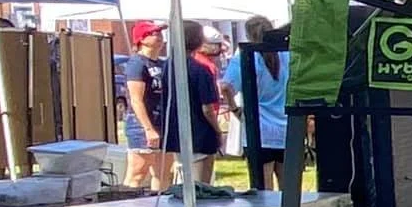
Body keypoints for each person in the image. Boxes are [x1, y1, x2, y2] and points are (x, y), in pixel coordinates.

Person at [220, 16, 289, 188]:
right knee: (288, 190)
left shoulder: (245, 58)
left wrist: (235, 109)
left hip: (258, 130)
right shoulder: (286, 56)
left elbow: (226, 87)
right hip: (285, 129)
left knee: (263, 190)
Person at [161, 21, 224, 186]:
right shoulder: (200, 70)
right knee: (201, 186)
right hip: (199, 133)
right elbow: (207, 108)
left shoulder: (168, 65)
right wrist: (218, 130)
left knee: (184, 181)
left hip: (176, 130)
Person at [121, 21, 173, 190]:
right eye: (153, 33)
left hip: (163, 122)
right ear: (141, 39)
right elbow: (136, 99)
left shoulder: (163, 64)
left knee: (164, 172)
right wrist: (148, 129)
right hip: (142, 124)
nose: (158, 36)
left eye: (159, 33)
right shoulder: (137, 63)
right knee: (138, 172)